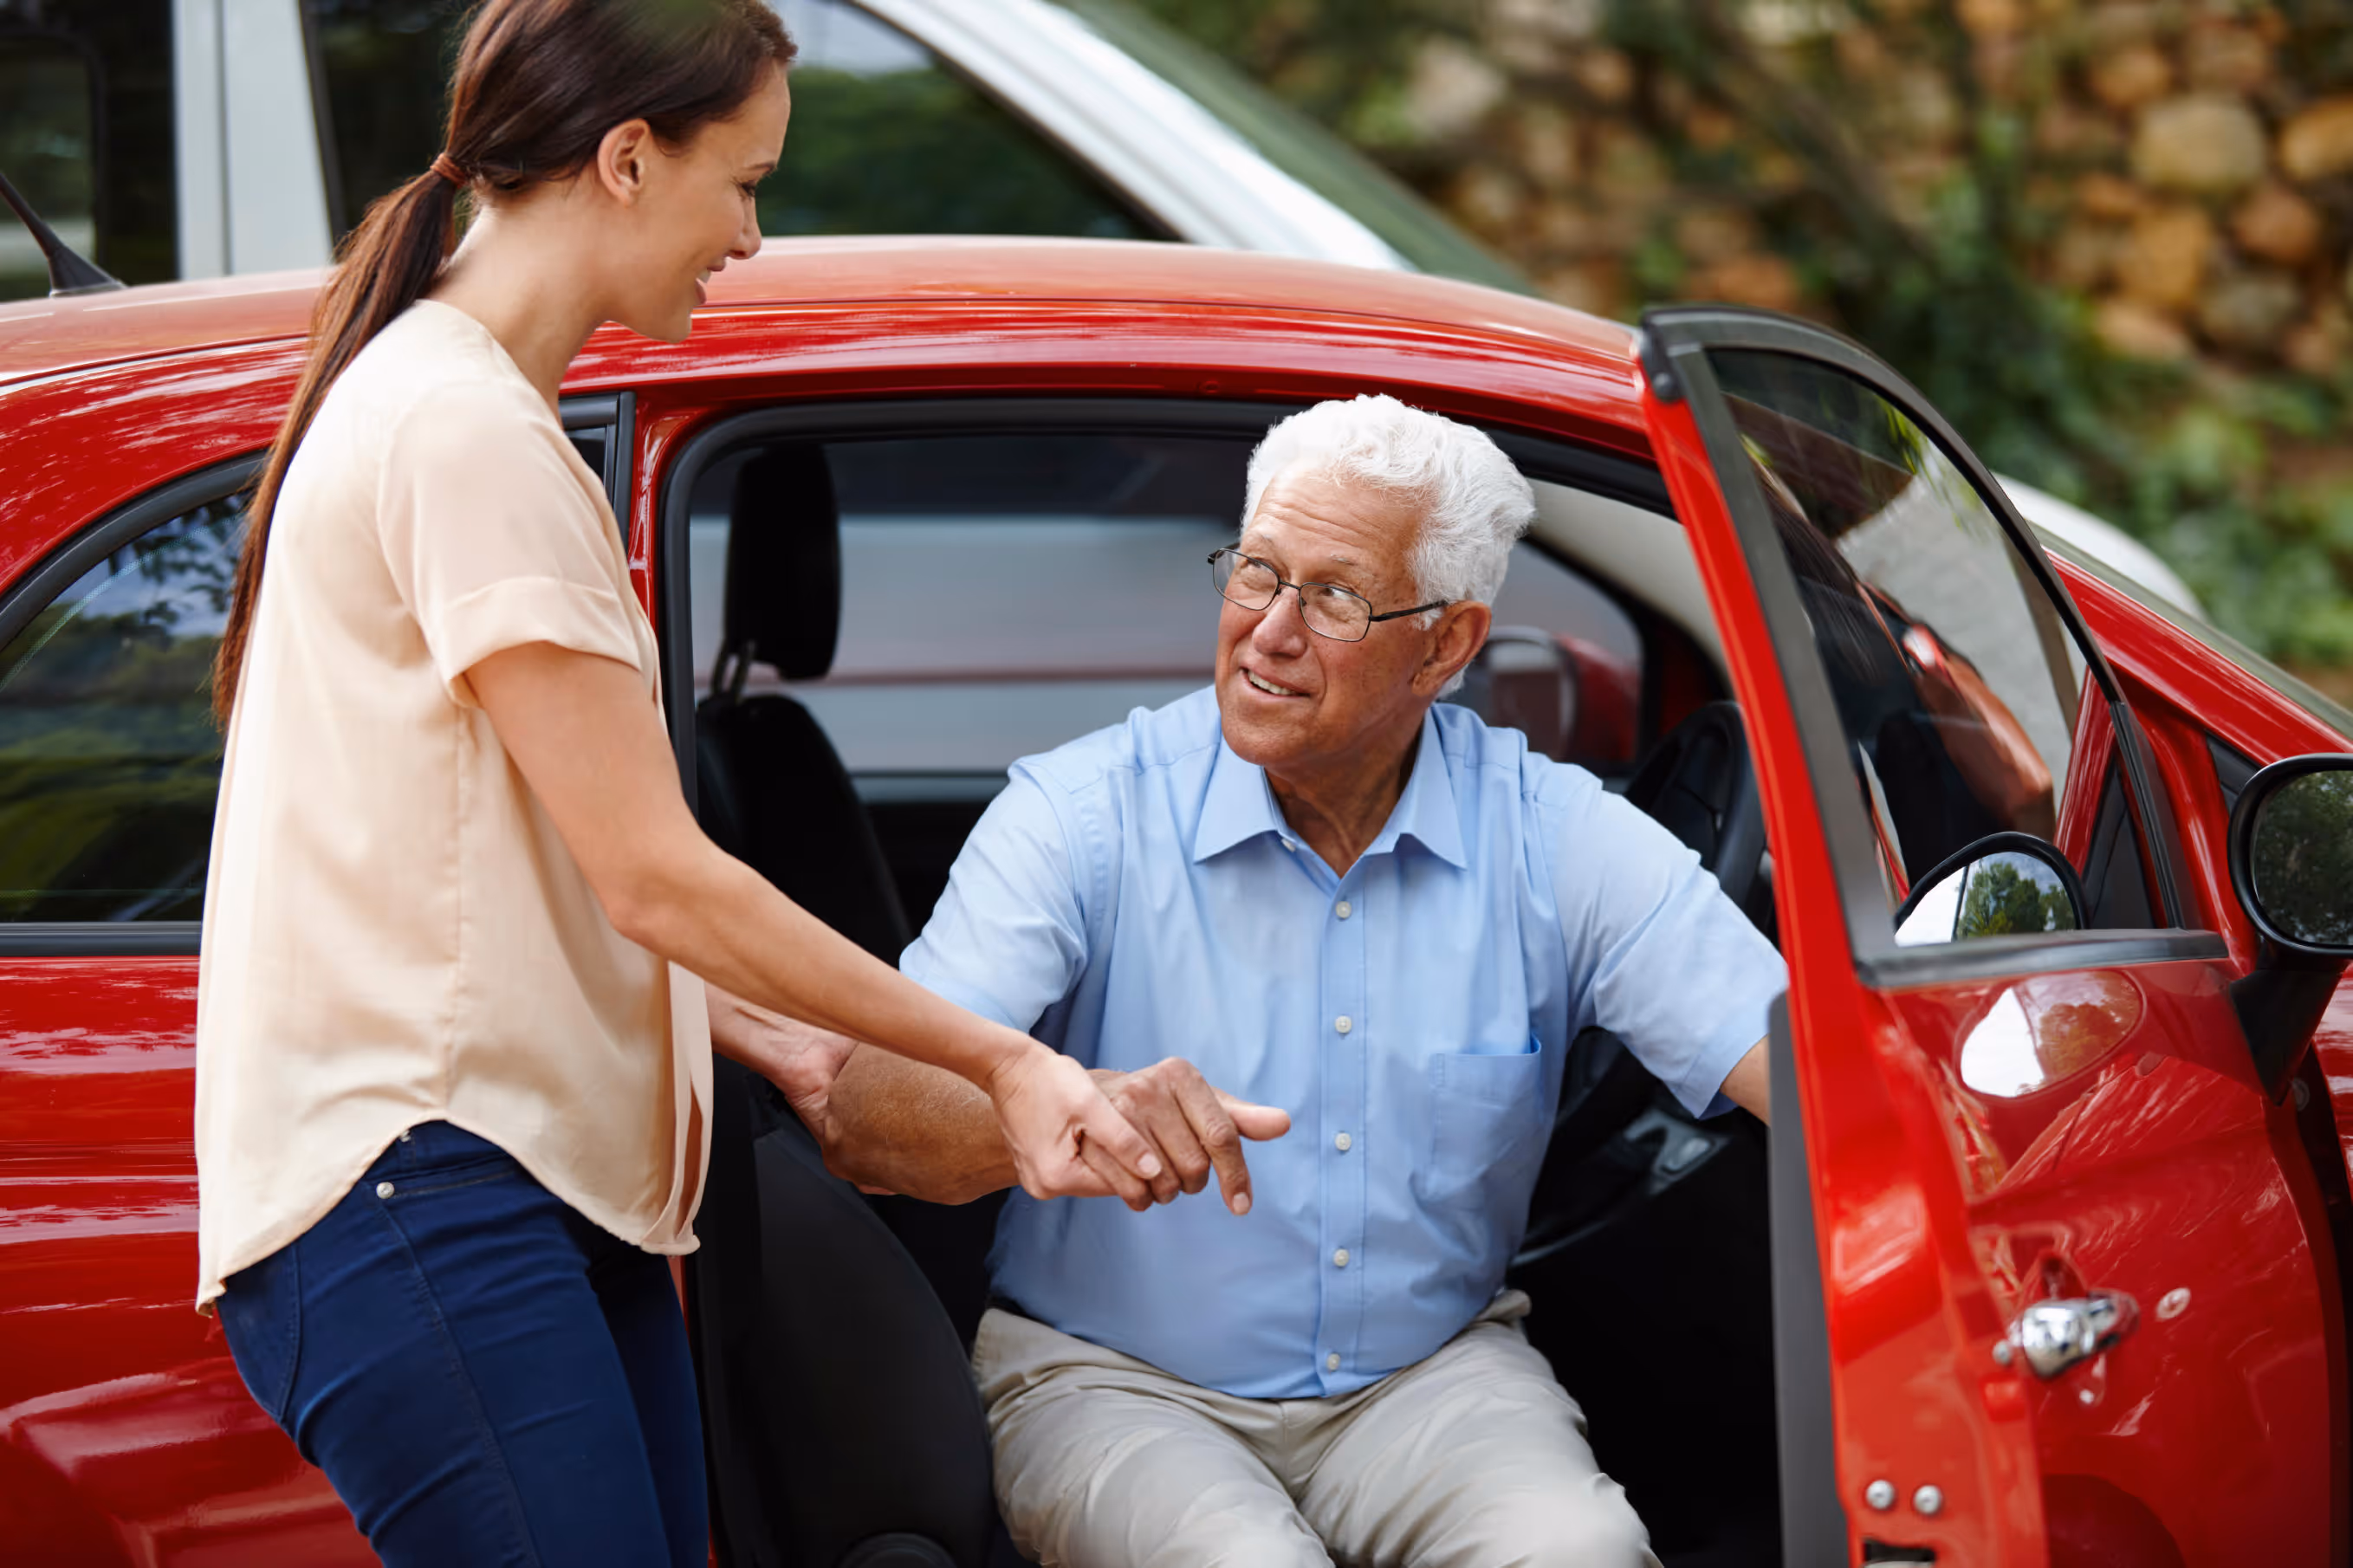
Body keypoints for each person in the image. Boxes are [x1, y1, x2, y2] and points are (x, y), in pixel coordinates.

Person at [194, 5, 1167, 1565]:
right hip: (426, 1193)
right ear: (629, 158)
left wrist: (774, 1033)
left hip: (513, 1187)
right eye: (746, 183)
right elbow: (654, 872)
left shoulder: (466, 409)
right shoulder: (461, 432)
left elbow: (527, 860)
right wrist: (1003, 1059)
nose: (754, 237)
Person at [717, 395, 1790, 1567]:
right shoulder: (1081, 813)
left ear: (1447, 643)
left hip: (1427, 1378)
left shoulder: (1558, 835)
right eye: (1256, 571)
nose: (1268, 630)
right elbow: (867, 1117)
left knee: (1583, 1548)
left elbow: (1815, 1075)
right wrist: (1061, 1104)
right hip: (1112, 1381)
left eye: (1331, 596)